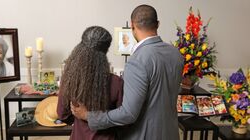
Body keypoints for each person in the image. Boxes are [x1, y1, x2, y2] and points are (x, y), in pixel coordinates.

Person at [71, 5, 184, 140]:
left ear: (132, 26)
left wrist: (88, 116)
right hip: (170, 133)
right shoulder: (175, 53)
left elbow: (128, 114)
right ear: (158, 24)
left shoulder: (137, 61)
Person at [57, 26, 124, 140]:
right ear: (106, 50)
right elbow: (122, 121)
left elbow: (62, 114)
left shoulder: (69, 79)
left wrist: (81, 119)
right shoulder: (116, 83)